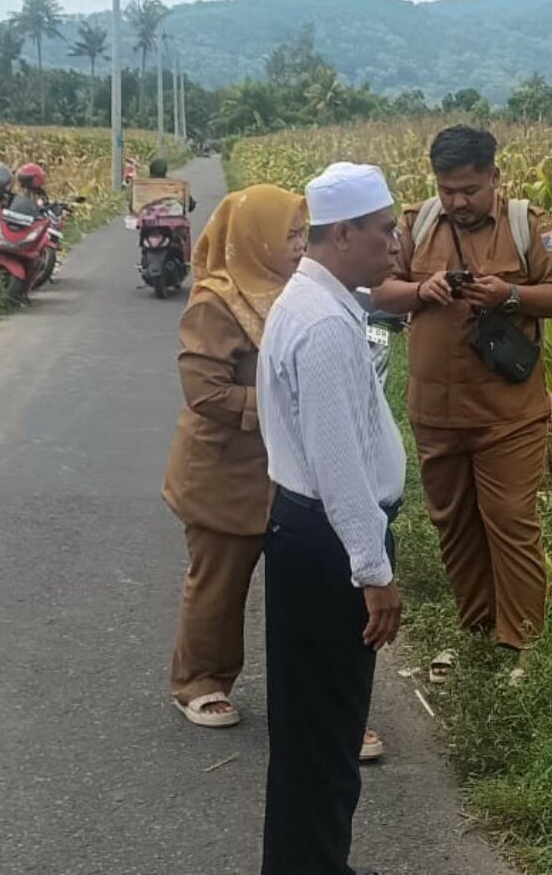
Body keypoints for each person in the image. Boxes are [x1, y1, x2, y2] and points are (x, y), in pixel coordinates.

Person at [372, 125, 552, 681]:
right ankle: (476, 629)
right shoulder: (415, 225)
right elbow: (378, 291)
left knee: (510, 520)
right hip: (435, 411)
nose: (458, 201)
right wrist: (424, 289)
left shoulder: (528, 227)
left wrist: (509, 294)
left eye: (469, 189)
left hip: (507, 412)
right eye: (447, 190)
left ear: (494, 176)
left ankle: (521, 645)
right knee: (454, 522)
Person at [257, 162, 404, 875]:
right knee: (326, 738)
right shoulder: (321, 325)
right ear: (342, 233)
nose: (395, 241)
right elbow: (339, 466)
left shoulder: (318, 302)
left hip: (311, 537)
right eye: (383, 230)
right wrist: (374, 572)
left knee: (315, 734)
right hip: (329, 546)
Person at [162, 184, 308, 728]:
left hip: (284, 469)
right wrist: (284, 403)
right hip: (224, 469)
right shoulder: (216, 301)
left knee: (304, 585)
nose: (298, 245)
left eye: (302, 234)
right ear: (255, 239)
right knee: (220, 583)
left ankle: (312, 695)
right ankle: (200, 681)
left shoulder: (294, 291)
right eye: (288, 235)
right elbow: (204, 392)